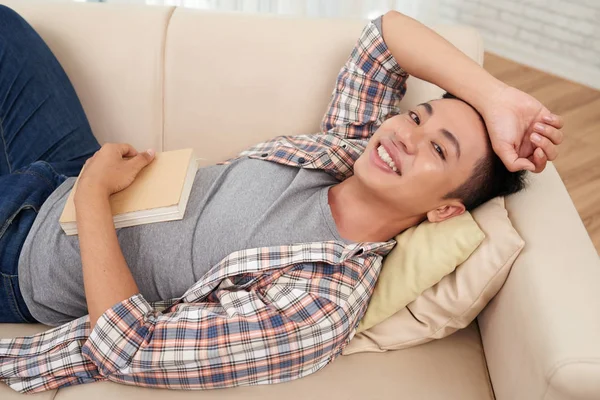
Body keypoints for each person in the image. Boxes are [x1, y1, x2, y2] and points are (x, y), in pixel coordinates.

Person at [0, 5, 563, 394]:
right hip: (69, 171)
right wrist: (496, 96)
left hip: (23, 255)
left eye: (436, 151)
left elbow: (129, 347)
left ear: (444, 210)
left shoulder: (318, 302)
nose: (403, 135)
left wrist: (96, 193)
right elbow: (385, 35)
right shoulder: (346, 149)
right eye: (416, 116)